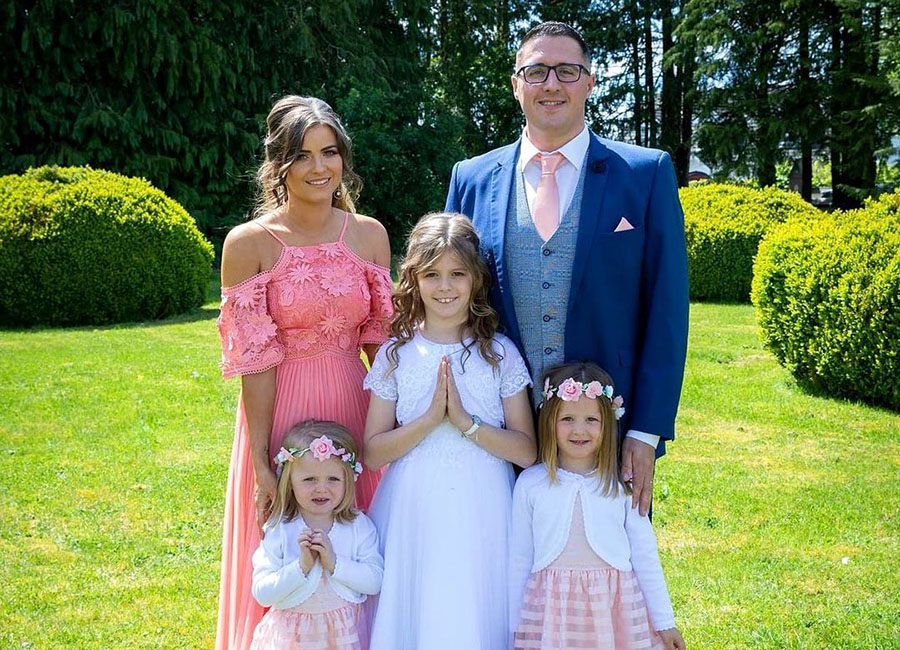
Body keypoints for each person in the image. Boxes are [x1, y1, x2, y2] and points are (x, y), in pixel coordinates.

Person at [445, 21, 689, 517]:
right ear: (516, 84)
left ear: (590, 81)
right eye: (536, 71)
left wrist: (644, 431)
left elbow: (667, 310)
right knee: (496, 575)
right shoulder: (470, 178)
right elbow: (446, 303)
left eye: (567, 70)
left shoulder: (645, 174)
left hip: (600, 431)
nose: (551, 84)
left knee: (599, 576)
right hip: (491, 425)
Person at [216, 95, 393, 650]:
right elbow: (254, 362)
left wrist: (397, 429)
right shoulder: (248, 245)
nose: (320, 168)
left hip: (354, 402)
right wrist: (264, 460)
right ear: (279, 165)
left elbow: (381, 347)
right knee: (283, 530)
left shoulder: (369, 235)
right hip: (282, 406)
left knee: (360, 534)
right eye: (304, 156)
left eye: (330, 152)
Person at [363, 212, 537, 650]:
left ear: (476, 280)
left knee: (474, 603)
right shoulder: (395, 355)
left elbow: (527, 451)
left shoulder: (499, 353)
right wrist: (427, 421)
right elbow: (373, 452)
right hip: (412, 507)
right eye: (432, 275)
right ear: (414, 279)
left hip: (484, 504)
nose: (445, 287)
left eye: (457, 274)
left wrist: (465, 423)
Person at [509, 362, 686, 650]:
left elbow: (645, 556)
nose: (580, 429)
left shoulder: (621, 486)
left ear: (607, 424)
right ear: (549, 422)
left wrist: (665, 621)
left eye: (591, 419)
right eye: (567, 418)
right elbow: (519, 560)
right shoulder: (531, 484)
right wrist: (514, 629)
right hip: (552, 616)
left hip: (614, 614)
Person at [249, 420, 383, 650]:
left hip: (343, 638)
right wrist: (300, 567)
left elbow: (374, 581)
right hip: (289, 640)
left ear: (348, 480)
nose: (322, 488)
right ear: (290, 482)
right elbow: (263, 593)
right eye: (309, 479)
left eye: (333, 479)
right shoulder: (280, 528)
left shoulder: (358, 526)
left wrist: (335, 563)